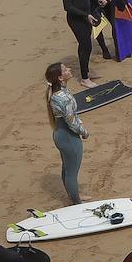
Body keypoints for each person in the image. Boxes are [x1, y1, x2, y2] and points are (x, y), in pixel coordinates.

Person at [46, 61, 87, 204]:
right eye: (65, 69)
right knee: (72, 172)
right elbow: (72, 122)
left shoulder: (58, 93)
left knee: (67, 167)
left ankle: (73, 197)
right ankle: (76, 202)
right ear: (60, 77)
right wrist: (84, 132)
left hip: (60, 134)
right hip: (69, 137)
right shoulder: (63, 97)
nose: (69, 69)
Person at [61, 0, 102, 86]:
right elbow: (67, 6)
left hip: (87, 16)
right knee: (85, 46)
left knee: (87, 46)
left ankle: (86, 71)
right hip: (77, 20)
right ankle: (84, 78)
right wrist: (85, 15)